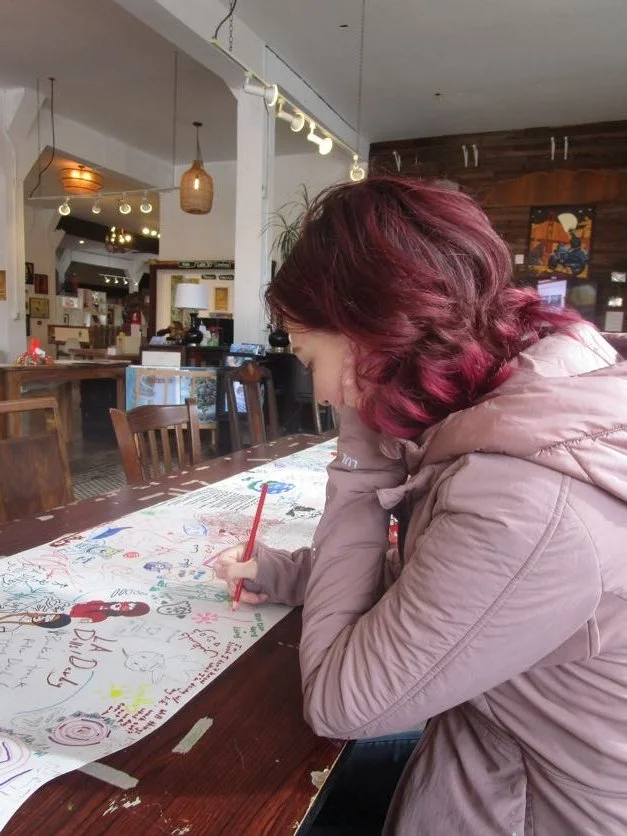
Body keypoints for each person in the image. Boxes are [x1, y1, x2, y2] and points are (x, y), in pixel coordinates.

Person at [216, 176, 627, 835]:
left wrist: (360, 461)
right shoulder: (532, 406)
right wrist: (287, 572)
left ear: (367, 339)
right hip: (485, 748)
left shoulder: (524, 501)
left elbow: (338, 702)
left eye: (308, 356)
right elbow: (455, 590)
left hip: (529, 808)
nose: (322, 394)